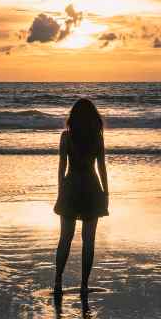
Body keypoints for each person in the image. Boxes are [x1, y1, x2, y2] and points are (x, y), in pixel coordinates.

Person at [53, 98, 109, 294]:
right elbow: (102, 168)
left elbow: (61, 169)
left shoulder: (66, 137)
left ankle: (58, 282)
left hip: (70, 187)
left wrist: (61, 192)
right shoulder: (97, 137)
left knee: (65, 238)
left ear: (73, 117)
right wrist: (106, 194)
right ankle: (84, 285)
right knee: (89, 241)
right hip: (92, 188)